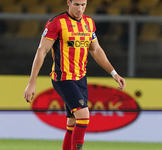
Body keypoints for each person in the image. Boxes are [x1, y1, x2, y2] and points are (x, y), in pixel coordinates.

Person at [24, 0, 126, 150]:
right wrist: (32, 83)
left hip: (81, 78)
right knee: (84, 116)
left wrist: (114, 73)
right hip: (63, 78)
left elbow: (96, 50)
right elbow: (42, 51)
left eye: (83, 5)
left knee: (72, 123)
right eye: (76, 4)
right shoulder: (56, 23)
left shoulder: (89, 23)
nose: (80, 8)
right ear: (69, 3)